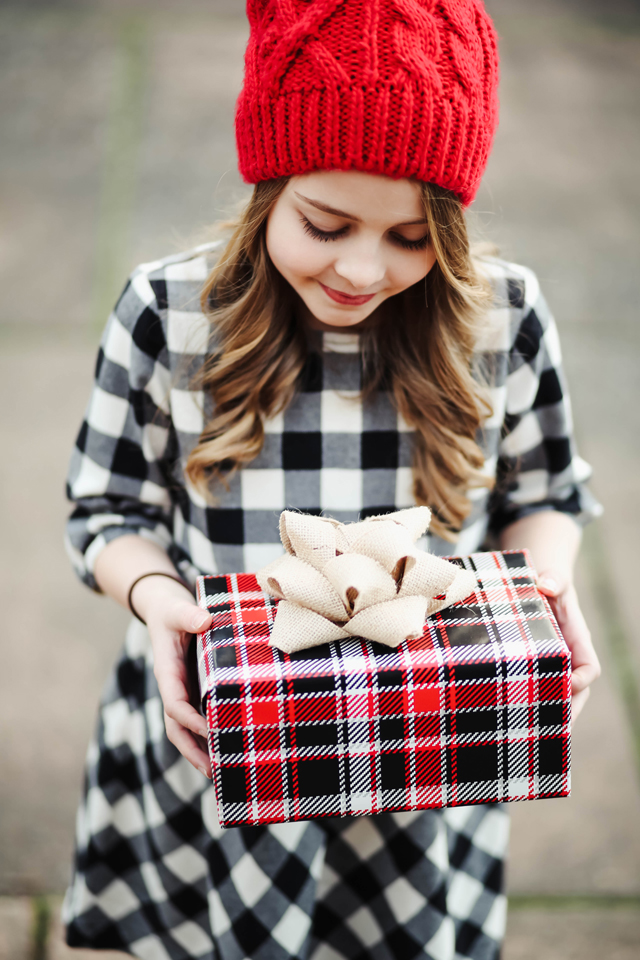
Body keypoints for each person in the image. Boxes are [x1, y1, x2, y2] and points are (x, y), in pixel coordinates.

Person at [62, 2, 601, 958]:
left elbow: (546, 495)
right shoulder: (170, 315)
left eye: (409, 237)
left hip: (427, 748)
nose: (361, 267)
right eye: (326, 222)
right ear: (271, 181)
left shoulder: (502, 319)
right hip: (224, 743)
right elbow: (107, 510)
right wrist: (156, 600)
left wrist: (542, 588)